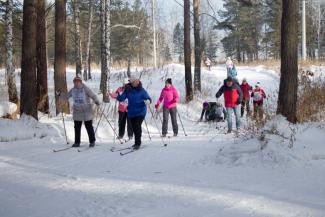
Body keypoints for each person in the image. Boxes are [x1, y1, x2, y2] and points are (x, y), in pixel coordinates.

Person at [58, 76, 100, 148]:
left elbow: (93, 95)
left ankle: (92, 141)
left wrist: (96, 101)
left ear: (81, 82)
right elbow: (66, 97)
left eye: (78, 81)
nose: (77, 83)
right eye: (75, 82)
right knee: (77, 127)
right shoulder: (73, 90)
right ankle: (77, 142)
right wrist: (60, 95)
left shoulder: (85, 89)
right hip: (77, 111)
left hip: (87, 110)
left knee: (89, 126)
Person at [117, 77, 151, 150]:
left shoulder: (142, 90)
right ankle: (136, 142)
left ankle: (138, 143)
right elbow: (121, 98)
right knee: (134, 128)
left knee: (137, 126)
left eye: (135, 81)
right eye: (132, 82)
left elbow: (148, 98)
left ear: (138, 81)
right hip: (131, 112)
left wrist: (148, 101)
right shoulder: (128, 89)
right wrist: (121, 93)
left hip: (141, 111)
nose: (135, 83)